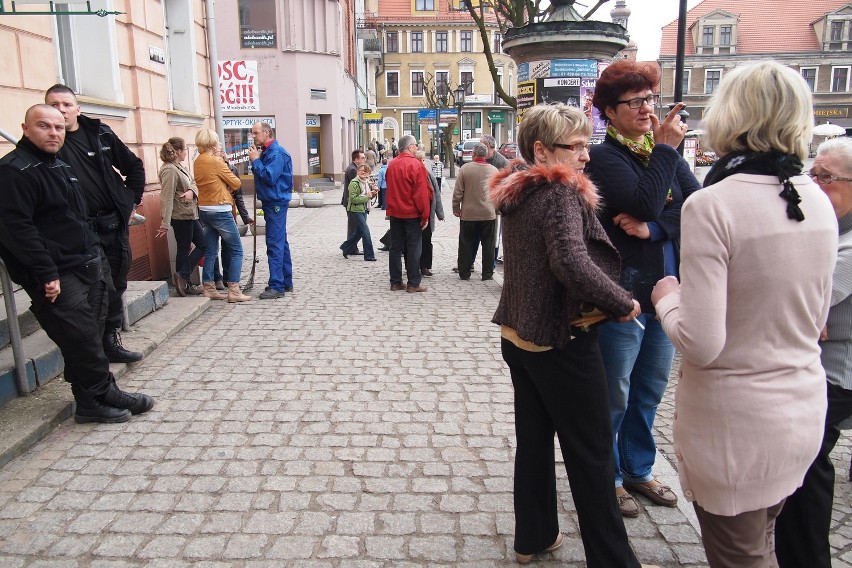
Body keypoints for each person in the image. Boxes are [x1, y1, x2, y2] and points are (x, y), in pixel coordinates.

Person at [651, 61, 837, 566]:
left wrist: (667, 297)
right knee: (763, 543)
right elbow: (815, 320)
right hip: (800, 409)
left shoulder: (713, 205)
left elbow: (703, 343)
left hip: (737, 423)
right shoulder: (816, 199)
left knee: (738, 554)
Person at [490, 103, 641, 567]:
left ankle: (533, 538)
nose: (585, 156)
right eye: (575, 146)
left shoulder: (519, 193)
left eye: (586, 144)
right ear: (541, 149)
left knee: (534, 443)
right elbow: (571, 263)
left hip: (521, 336)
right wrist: (623, 302)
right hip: (562, 339)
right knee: (592, 454)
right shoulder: (558, 193)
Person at [585, 60, 701, 517]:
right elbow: (642, 201)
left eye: (650, 99)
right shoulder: (605, 158)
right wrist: (668, 154)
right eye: (635, 102)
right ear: (609, 113)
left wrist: (654, 231)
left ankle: (637, 467)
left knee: (649, 389)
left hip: (666, 292)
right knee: (615, 391)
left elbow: (697, 203)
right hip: (624, 296)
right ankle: (608, 477)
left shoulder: (658, 149)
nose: (647, 110)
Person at [0, 105, 154, 423]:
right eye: (44, 125)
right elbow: (17, 229)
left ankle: (89, 400)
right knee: (81, 335)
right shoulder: (14, 170)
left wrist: (95, 250)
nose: (53, 132)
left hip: (86, 262)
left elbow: (75, 217)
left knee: (90, 333)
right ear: (26, 129)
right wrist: (46, 273)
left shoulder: (57, 164)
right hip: (55, 274)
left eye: (58, 127)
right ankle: (104, 392)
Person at [775, 136, 852, 568]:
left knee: (806, 463)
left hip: (836, 373)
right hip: (814, 364)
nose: (816, 185)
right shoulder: (828, 225)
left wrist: (808, 309)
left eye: (827, 177)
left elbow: (803, 303)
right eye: (813, 174)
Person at [45, 83, 144, 364]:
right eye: (54, 105)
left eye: (66, 105)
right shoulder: (48, 143)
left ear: (77, 109)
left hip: (113, 223)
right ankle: (97, 347)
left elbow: (134, 167)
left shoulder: (99, 133)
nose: (61, 111)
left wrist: (131, 204)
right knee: (101, 288)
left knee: (117, 281)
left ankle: (110, 339)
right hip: (80, 231)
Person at [193, 128, 251, 303]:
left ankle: (208, 287)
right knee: (236, 249)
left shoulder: (198, 161)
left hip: (204, 209)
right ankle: (234, 290)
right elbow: (236, 182)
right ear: (212, 143)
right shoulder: (216, 162)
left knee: (211, 250)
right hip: (220, 209)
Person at [249, 122, 293, 300]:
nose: (253, 136)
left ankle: (277, 285)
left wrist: (256, 161)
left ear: (267, 133)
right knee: (281, 243)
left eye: (256, 133)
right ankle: (285, 281)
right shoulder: (269, 151)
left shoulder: (276, 152)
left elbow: (269, 176)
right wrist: (257, 160)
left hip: (275, 202)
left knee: (275, 243)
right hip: (273, 201)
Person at [155, 137, 203, 297]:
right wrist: (165, 222)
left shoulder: (179, 167)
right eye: (184, 150)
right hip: (180, 214)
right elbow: (166, 197)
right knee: (185, 247)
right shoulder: (169, 170)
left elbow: (194, 182)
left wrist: (191, 191)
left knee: (203, 244)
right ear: (178, 152)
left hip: (190, 213)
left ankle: (183, 276)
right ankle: (184, 281)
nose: (186, 152)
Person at [385, 134, 430, 293]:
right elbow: (421, 194)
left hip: (395, 212)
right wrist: (425, 215)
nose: (416, 148)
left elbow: (389, 187)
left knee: (395, 247)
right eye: (415, 146)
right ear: (410, 147)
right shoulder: (417, 165)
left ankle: (395, 281)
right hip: (411, 213)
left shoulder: (392, 165)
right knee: (413, 247)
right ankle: (413, 283)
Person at [453, 144, 498, 281]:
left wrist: (456, 207)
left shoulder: (465, 169)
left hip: (469, 213)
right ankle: (487, 273)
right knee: (488, 245)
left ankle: (464, 272)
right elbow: (498, 192)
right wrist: (497, 209)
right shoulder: (493, 170)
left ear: (473, 154)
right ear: (485, 155)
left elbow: (458, 191)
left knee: (466, 243)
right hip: (488, 213)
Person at [212, 147, 253, 289]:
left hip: (229, 210)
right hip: (213, 209)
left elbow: (238, 195)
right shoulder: (209, 167)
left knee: (228, 246)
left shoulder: (232, 169)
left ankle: (228, 278)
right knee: (212, 247)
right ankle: (216, 278)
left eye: (219, 151)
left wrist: (245, 216)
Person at [340, 165, 378, 261]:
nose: (364, 173)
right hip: (355, 209)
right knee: (366, 232)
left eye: (366, 172)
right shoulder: (354, 183)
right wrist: (367, 196)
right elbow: (353, 199)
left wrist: (374, 193)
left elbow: (369, 197)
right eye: (362, 171)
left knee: (359, 232)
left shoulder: (366, 183)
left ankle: (346, 247)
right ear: (357, 171)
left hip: (364, 209)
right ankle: (369, 255)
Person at [416, 151, 445, 277]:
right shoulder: (412, 174)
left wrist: (440, 213)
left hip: (427, 214)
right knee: (413, 242)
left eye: (423, 160)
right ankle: (412, 265)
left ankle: (425, 266)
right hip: (414, 214)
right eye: (419, 160)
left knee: (427, 241)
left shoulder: (429, 175)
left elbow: (436, 194)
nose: (421, 162)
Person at [341, 150, 366, 255]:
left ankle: (351, 247)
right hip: (351, 202)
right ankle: (350, 248)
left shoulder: (353, 168)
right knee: (353, 226)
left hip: (351, 202)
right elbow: (354, 187)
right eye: (362, 158)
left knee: (355, 225)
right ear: (356, 159)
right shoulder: (352, 169)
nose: (364, 160)